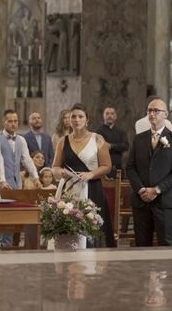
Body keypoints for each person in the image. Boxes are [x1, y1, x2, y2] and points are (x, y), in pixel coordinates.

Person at [52, 103, 116, 248]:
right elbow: (55, 167)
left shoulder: (97, 139)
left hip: (92, 189)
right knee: (68, 231)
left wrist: (91, 174)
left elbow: (107, 166)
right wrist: (60, 172)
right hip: (69, 191)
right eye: (73, 116)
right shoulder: (63, 141)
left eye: (80, 116)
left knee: (92, 231)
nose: (76, 119)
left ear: (87, 120)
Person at [126, 97, 172, 247]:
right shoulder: (139, 139)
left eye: (156, 111)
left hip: (165, 201)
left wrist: (157, 190)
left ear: (166, 114)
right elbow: (130, 167)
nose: (152, 114)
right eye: (150, 111)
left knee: (166, 246)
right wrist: (141, 189)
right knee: (142, 246)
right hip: (141, 200)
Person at [0, 109, 39, 248]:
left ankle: (7, 247)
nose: (13, 124)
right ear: (4, 122)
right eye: (10, 121)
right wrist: (2, 180)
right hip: (1, 186)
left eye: (15, 121)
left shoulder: (21, 140)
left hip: (16, 186)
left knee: (12, 219)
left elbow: (27, 160)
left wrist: (36, 177)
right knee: (0, 217)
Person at [95, 107, 129, 178]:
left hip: (118, 168)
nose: (110, 116)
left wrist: (111, 146)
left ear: (115, 116)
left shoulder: (121, 132)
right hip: (102, 169)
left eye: (112, 114)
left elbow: (126, 146)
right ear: (103, 116)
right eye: (107, 114)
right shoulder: (98, 132)